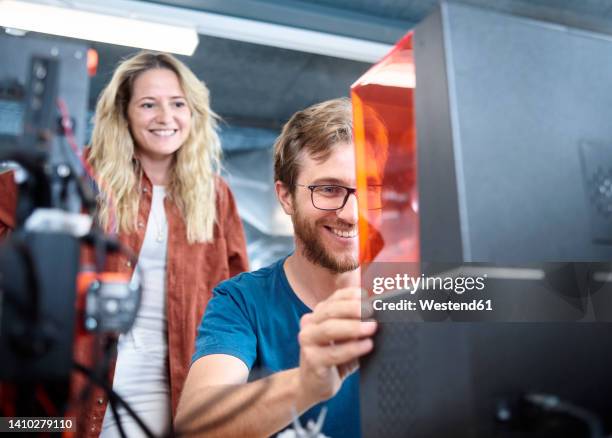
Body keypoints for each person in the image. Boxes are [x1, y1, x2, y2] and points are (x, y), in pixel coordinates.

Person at [0, 51, 249, 437]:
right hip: (72, 387)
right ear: (124, 113)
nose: (165, 117)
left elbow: (238, 301)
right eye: (148, 104)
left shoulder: (215, 197)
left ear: (193, 111)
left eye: (177, 104)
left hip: (168, 393)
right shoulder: (78, 176)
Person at [175, 98, 379, 437]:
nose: (350, 213)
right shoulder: (242, 301)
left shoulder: (414, 296)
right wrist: (306, 383)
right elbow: (195, 425)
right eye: (328, 189)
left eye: (370, 190)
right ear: (285, 196)